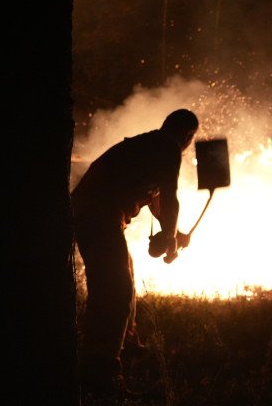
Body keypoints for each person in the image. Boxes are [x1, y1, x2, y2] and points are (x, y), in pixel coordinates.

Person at [72, 109, 198, 396]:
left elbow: (160, 204)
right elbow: (171, 196)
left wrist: (174, 236)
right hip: (98, 213)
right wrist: (170, 240)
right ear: (187, 136)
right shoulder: (168, 147)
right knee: (115, 288)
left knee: (123, 279)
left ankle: (127, 348)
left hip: (96, 212)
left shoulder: (148, 147)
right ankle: (100, 373)